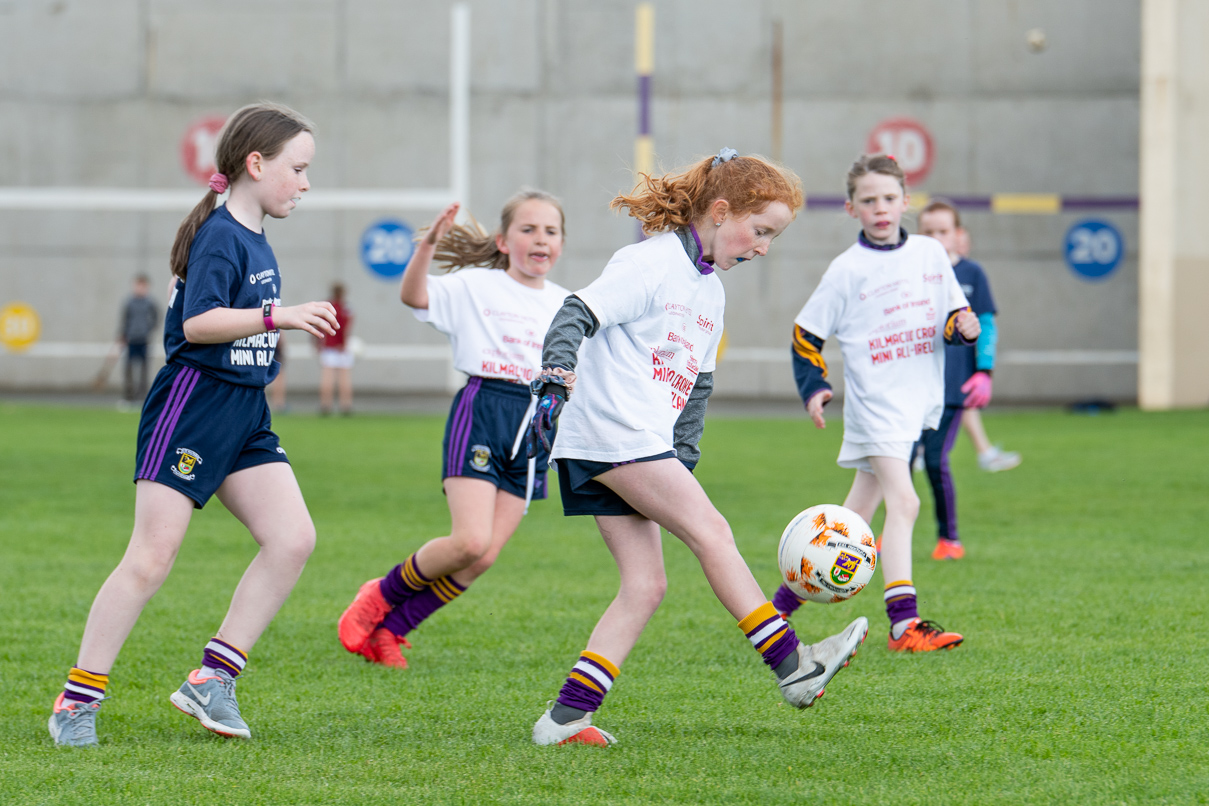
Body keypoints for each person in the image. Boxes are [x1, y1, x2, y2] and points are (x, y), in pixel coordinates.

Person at [525, 149, 869, 748]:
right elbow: (576, 311)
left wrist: (682, 461)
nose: (762, 247)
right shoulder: (650, 262)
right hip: (613, 435)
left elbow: (696, 391)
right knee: (712, 531)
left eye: (772, 238)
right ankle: (794, 667)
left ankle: (563, 720)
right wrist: (556, 375)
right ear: (719, 210)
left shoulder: (711, 293)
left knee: (646, 585)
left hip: (629, 444)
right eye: (759, 231)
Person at [48, 103, 339, 747]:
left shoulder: (253, 234)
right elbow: (199, 325)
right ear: (255, 165)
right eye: (298, 168)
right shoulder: (222, 235)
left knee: (292, 539)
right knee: (151, 559)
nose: (305, 183)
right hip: (194, 405)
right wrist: (279, 316)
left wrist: (275, 321)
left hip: (245, 413)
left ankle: (213, 678)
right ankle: (76, 699)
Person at [337, 191, 572, 669]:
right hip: (485, 407)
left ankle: (392, 632)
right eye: (528, 229)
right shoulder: (476, 286)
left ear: (561, 244)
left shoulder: (568, 305)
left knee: (483, 559)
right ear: (504, 242)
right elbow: (414, 296)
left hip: (537, 426)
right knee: (468, 541)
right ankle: (379, 596)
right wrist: (426, 248)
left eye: (550, 231)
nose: (540, 239)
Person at [771, 154, 980, 653]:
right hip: (876, 402)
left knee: (855, 517)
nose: (880, 208)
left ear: (906, 202)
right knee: (904, 501)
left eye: (889, 198)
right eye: (869, 201)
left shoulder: (930, 253)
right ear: (851, 209)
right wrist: (815, 386)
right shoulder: (847, 270)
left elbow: (954, 312)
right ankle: (904, 625)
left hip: (915, 402)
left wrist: (963, 327)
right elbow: (806, 333)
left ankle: (773, 613)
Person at [913, 200, 1004, 560]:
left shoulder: (972, 274)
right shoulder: (913, 272)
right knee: (895, 464)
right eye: (928, 231)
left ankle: (949, 539)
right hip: (915, 386)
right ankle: (884, 536)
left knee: (935, 461)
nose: (935, 238)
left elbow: (988, 326)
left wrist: (984, 372)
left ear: (957, 235)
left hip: (953, 389)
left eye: (942, 231)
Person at [952, 227, 1022, 473]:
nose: (959, 246)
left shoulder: (972, 272)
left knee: (964, 403)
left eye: (964, 242)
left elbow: (986, 323)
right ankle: (985, 453)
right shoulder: (925, 272)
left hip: (962, 357)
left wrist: (985, 367)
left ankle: (986, 453)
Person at [118, 274, 159, 404]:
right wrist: (123, 335)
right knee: (129, 368)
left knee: (144, 369)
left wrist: (149, 330)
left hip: (144, 339)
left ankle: (142, 396)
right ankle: (129, 396)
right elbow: (125, 320)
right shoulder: (129, 302)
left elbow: (156, 317)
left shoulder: (150, 303)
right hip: (131, 339)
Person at [317, 282, 354, 416]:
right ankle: (346, 406)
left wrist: (318, 343)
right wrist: (343, 343)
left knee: (327, 377)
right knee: (344, 378)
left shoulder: (326, 307)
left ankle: (325, 405)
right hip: (341, 347)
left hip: (328, 345)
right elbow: (346, 328)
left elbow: (319, 326)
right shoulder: (346, 308)